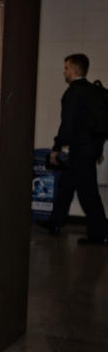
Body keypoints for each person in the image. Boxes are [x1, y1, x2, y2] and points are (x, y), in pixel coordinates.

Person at [42, 53, 108, 244]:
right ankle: (56, 222)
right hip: (89, 150)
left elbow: (68, 124)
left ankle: (99, 234)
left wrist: (55, 147)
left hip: (80, 151)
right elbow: (99, 125)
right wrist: (98, 151)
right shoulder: (93, 91)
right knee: (66, 185)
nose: (65, 71)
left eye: (66, 67)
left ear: (75, 69)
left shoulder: (73, 93)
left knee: (88, 193)